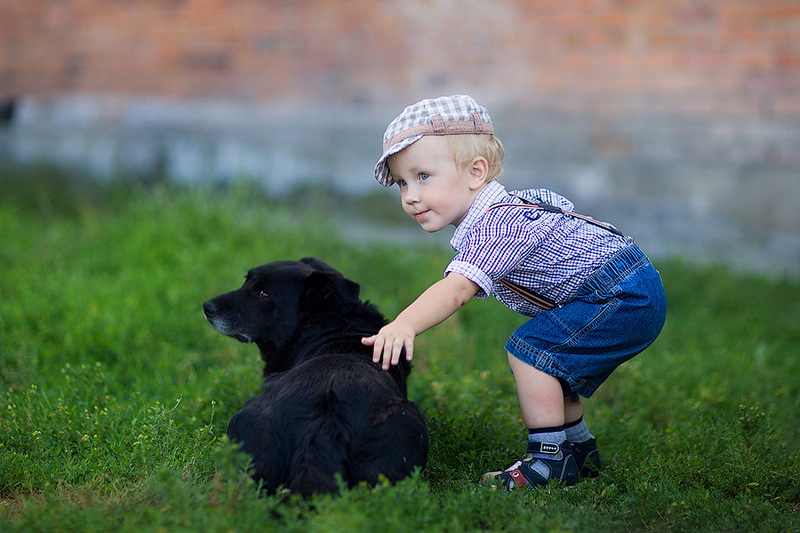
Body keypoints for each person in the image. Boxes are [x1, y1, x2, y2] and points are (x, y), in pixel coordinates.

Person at [361, 95, 667, 490]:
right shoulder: (506, 212)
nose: (410, 196)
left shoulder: (498, 225)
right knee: (553, 360)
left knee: (530, 351)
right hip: (625, 287)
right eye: (402, 183)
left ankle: (549, 460)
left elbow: (457, 288)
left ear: (475, 172)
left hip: (621, 294)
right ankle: (578, 449)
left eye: (423, 177)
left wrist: (405, 324)